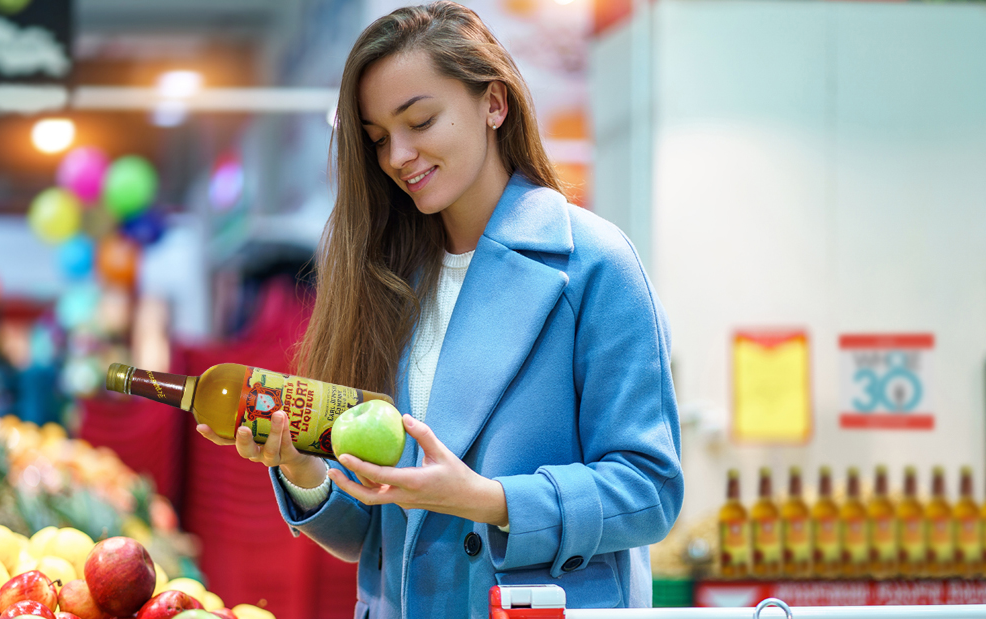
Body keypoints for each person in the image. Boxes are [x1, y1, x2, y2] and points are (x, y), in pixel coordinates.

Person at [197, 3, 683, 617]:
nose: (398, 155)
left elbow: (650, 490)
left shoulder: (593, 263)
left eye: (420, 121)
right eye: (377, 139)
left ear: (494, 104)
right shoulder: (389, 278)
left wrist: (490, 500)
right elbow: (374, 536)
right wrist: (301, 466)